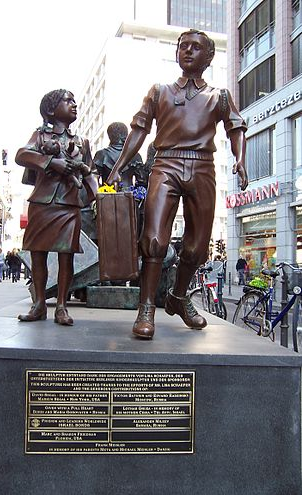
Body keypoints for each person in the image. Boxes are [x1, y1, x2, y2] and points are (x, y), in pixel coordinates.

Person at [107, 29, 248, 339]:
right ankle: (146, 307)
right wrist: (118, 166)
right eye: (183, 46)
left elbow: (235, 127)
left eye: (195, 48)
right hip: (166, 163)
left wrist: (239, 158)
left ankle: (179, 297)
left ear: (209, 57)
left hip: (202, 167)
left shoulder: (219, 96)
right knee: (155, 238)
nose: (187, 51)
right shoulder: (159, 91)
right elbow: (139, 129)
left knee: (197, 247)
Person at [15, 89, 97, 325]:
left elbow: (89, 171)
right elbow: (22, 155)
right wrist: (51, 162)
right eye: (67, 101)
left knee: (66, 256)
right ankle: (39, 303)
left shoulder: (82, 142)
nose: (74, 105)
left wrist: (91, 196)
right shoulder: (40, 136)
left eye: (75, 101)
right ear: (51, 109)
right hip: (42, 203)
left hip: (69, 205)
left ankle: (61, 306)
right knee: (37, 253)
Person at [94, 122, 143, 187]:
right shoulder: (135, 155)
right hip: (129, 195)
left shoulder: (101, 154)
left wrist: (100, 191)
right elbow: (142, 180)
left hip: (107, 194)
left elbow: (94, 178)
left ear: (110, 135)